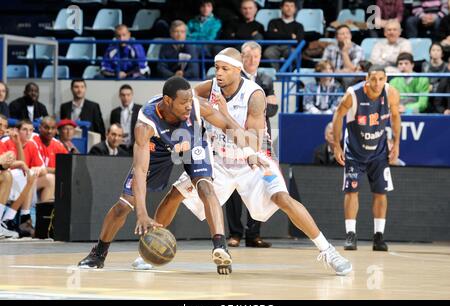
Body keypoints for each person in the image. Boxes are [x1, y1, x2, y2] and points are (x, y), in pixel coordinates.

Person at [152, 48, 353, 276]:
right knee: (175, 194)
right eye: (217, 67)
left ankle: (328, 251)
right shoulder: (210, 87)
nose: (219, 73)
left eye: (225, 69)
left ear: (238, 70)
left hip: (253, 160)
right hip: (217, 160)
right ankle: (150, 248)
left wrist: (223, 114)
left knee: (282, 199)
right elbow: (185, 100)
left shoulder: (254, 95)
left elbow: (254, 143)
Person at [78, 76, 267, 274]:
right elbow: (141, 171)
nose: (188, 106)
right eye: (183, 102)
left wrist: (250, 152)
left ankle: (220, 247)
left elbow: (228, 126)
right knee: (124, 205)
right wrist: (142, 214)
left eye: (189, 101)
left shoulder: (196, 106)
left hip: (191, 142)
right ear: (167, 101)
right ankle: (98, 254)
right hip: (158, 148)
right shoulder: (145, 123)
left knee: (205, 186)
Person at [332, 64, 402, 252]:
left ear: (385, 79)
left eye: (381, 79)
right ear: (367, 79)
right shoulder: (353, 94)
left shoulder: (392, 93)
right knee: (351, 191)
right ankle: (351, 234)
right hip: (354, 151)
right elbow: (338, 116)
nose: (377, 83)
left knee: (381, 192)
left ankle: (378, 236)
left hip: (378, 151)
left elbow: (395, 117)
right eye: (374, 79)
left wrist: (396, 143)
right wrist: (336, 145)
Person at [223, 41, 278, 248]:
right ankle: (235, 233)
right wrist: (259, 105)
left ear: (260, 58)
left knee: (259, 183)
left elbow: (273, 109)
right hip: (236, 137)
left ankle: (253, 234)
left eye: (256, 56)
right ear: (241, 58)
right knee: (235, 187)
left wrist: (257, 107)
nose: (252, 60)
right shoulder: (234, 77)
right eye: (248, 56)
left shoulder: (266, 78)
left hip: (261, 137)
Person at [263, 0, 304, 70]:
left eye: (292, 6)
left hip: (290, 47)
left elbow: (299, 40)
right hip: (274, 46)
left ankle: (288, 76)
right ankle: (276, 75)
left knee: (294, 53)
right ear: (281, 8)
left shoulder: (299, 26)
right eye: (287, 6)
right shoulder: (273, 22)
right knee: (268, 52)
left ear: (295, 9)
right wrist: (290, 36)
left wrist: (278, 34)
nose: (289, 8)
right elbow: (269, 36)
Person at [110, 84, 141, 153]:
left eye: (128, 95)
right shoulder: (114, 112)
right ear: (119, 96)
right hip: (119, 147)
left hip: (136, 147)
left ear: (132, 95)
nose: (126, 97)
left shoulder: (140, 110)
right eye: (123, 95)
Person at [422, 42, 448, 113]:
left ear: (442, 53)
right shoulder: (424, 65)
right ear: (429, 53)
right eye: (433, 50)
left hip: (442, 94)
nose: (435, 52)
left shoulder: (447, 66)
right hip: (427, 93)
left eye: (438, 50)